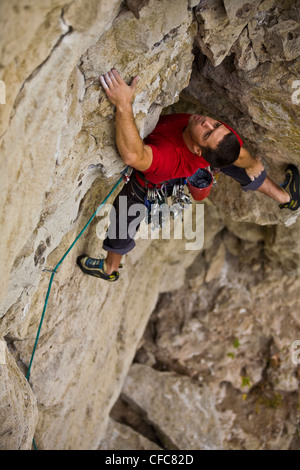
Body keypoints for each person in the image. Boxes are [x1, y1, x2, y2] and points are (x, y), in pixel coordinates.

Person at [77, 69, 300, 281]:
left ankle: (110, 268)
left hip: (150, 179)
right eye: (216, 125)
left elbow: (133, 156)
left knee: (124, 217)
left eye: (207, 132)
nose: (206, 121)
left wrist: (123, 104)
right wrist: (252, 164)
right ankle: (286, 198)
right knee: (235, 164)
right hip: (198, 161)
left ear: (197, 149)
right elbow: (239, 155)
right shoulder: (223, 143)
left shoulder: (169, 157)